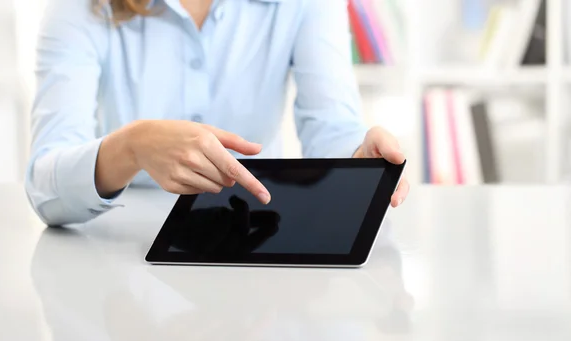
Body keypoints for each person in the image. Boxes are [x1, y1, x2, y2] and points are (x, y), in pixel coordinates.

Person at [25, 0, 410, 226]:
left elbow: (331, 128)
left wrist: (359, 164)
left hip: (259, 236)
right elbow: (46, 184)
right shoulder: (80, 8)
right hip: (122, 248)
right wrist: (131, 147)